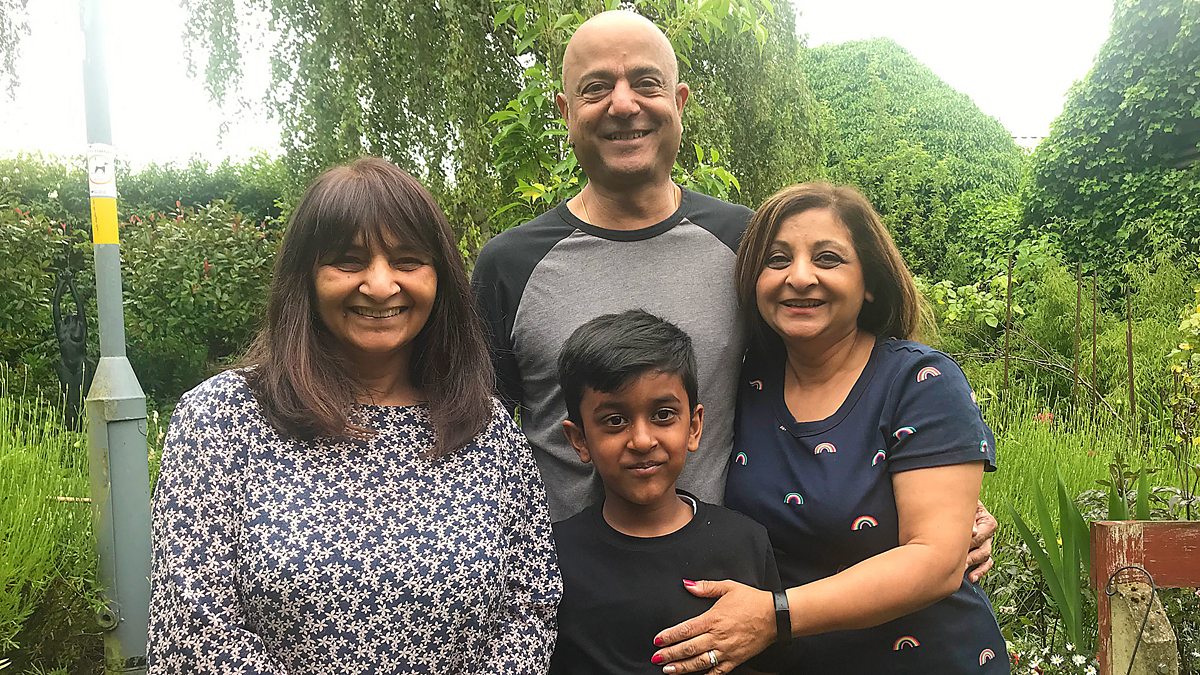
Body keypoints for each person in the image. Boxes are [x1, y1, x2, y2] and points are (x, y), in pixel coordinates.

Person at [471, 7, 997, 575]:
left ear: (679, 101)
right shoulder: (509, 266)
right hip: (566, 594)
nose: (623, 104)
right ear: (565, 111)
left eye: (646, 82)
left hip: (730, 587)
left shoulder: (749, 248)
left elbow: (823, 379)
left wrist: (937, 504)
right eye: (596, 87)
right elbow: (474, 443)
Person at [146, 157, 561, 674]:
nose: (381, 285)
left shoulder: (485, 427)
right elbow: (192, 632)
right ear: (306, 276)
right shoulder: (221, 420)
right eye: (348, 261)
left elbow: (528, 606)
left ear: (441, 279)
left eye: (408, 260)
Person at [651, 183, 1008, 674]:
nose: (799, 277)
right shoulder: (747, 382)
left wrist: (774, 615)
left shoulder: (920, 382)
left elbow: (937, 562)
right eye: (777, 260)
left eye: (828, 259)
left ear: (870, 282)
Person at [549, 310, 780, 675]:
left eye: (663, 415)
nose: (642, 440)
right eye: (615, 421)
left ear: (694, 426)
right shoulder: (552, 557)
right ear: (579, 439)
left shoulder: (745, 542)